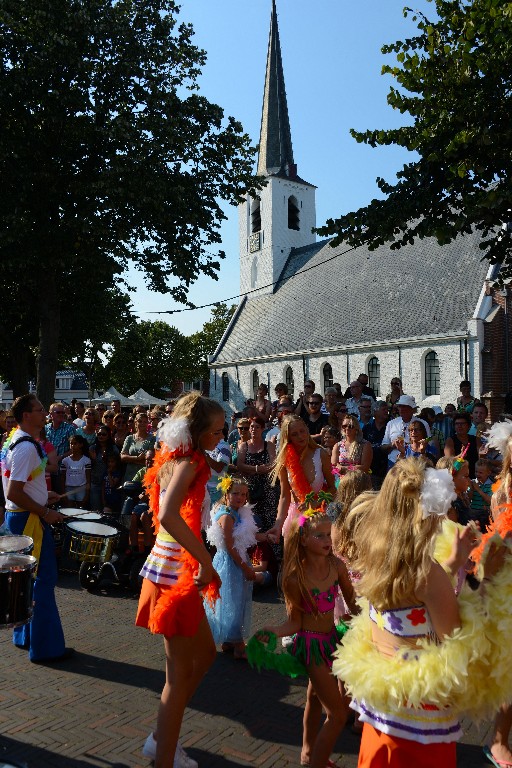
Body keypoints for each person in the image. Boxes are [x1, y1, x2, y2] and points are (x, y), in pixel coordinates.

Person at [332, 457, 510, 768]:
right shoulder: (427, 574)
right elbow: (457, 643)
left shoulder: (377, 555)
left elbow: (411, 611)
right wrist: (488, 580)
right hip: (418, 721)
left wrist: (453, 564)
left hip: (381, 709)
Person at [135, 392, 224, 768]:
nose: (222, 436)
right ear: (199, 431)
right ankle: (163, 756)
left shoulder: (183, 460)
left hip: (176, 569)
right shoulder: (187, 463)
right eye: (217, 430)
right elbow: (170, 516)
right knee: (176, 677)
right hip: (174, 575)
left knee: (204, 655)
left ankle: (163, 736)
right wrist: (207, 561)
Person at [250, 506, 358, 768]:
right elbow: (295, 622)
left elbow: (353, 607)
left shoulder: (337, 566)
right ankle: (316, 763)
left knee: (312, 698)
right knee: (338, 714)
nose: (327, 541)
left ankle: (308, 752)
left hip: (332, 639)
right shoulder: (294, 578)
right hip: (310, 646)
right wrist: (274, 631)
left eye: (329, 535)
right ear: (303, 538)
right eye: (319, 536)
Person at [1, 394, 73, 662]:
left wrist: (45, 495)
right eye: (39, 409)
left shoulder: (15, 441)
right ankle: (46, 649)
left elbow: (20, 486)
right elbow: (15, 492)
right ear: (26, 416)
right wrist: (44, 510)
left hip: (21, 516)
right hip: (28, 518)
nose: (45, 413)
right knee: (44, 580)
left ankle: (25, 637)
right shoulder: (26, 447)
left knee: (26, 579)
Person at [205, 477, 257, 659]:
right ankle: (238, 646)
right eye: (235, 493)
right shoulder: (227, 516)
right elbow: (229, 545)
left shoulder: (235, 512)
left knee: (231, 600)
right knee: (233, 602)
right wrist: (245, 568)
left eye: (243, 494)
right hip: (230, 564)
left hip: (231, 561)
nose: (240, 497)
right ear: (226, 494)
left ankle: (228, 641)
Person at [268, 415, 335, 540]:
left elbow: (333, 488)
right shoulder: (284, 459)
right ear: (288, 438)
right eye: (294, 434)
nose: (300, 436)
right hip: (295, 516)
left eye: (302, 431)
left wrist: (316, 503)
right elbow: (284, 496)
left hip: (319, 516)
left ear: (307, 429)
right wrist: (278, 524)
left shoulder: (321, 454)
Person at [236, 416, 277, 537]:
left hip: (267, 488)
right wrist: (258, 469)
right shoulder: (244, 446)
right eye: (252, 427)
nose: (254, 429)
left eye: (257, 427)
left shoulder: (269, 445)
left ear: (262, 429)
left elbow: (273, 464)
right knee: (251, 519)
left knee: (269, 518)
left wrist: (256, 469)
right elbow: (240, 465)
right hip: (250, 489)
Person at [381, 394, 430, 470]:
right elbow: (383, 446)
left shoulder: (423, 424)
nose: (402, 409)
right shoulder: (391, 423)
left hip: (415, 463)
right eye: (400, 406)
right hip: (394, 462)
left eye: (405, 406)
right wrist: (392, 445)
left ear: (412, 409)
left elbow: (428, 443)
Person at [331, 413, 373, 477]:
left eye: (350, 426)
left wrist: (344, 468)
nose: (347, 428)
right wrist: (354, 468)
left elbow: (365, 468)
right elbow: (334, 466)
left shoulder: (365, 445)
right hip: (341, 481)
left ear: (356, 429)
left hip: (358, 480)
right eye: (344, 426)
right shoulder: (338, 445)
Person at [89, 425, 120, 511]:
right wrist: (93, 459)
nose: (101, 436)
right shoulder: (93, 448)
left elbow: (118, 465)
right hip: (95, 482)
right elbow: (88, 467)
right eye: (99, 434)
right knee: (96, 510)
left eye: (104, 434)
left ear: (108, 435)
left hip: (109, 484)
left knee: (107, 510)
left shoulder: (114, 449)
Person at [121, 412, 155, 482]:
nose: (142, 423)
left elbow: (150, 460)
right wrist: (138, 458)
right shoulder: (129, 438)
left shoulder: (152, 438)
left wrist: (130, 459)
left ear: (147, 424)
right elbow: (122, 457)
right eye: (140, 421)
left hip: (145, 475)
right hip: (129, 475)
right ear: (135, 423)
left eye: (145, 422)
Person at [444, 411, 479, 477]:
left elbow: (481, 459)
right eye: (457, 424)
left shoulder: (476, 439)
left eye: (462, 423)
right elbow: (448, 461)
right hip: (458, 476)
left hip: (475, 474)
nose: (459, 426)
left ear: (469, 426)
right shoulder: (450, 440)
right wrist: (460, 456)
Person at [60, 434, 91, 508]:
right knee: (69, 510)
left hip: (81, 488)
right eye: (71, 443)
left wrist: (87, 494)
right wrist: (63, 493)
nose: (73, 445)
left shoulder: (86, 460)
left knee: (81, 510)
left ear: (81, 445)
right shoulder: (65, 461)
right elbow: (62, 478)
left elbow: (88, 478)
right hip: (69, 488)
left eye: (75, 443)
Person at [468, 458, 493, 532]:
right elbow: (469, 499)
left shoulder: (491, 485)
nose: (477, 474)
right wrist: (472, 489)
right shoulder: (473, 483)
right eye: (476, 471)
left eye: (480, 472)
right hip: (473, 514)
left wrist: (478, 489)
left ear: (488, 473)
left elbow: (490, 501)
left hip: (485, 516)